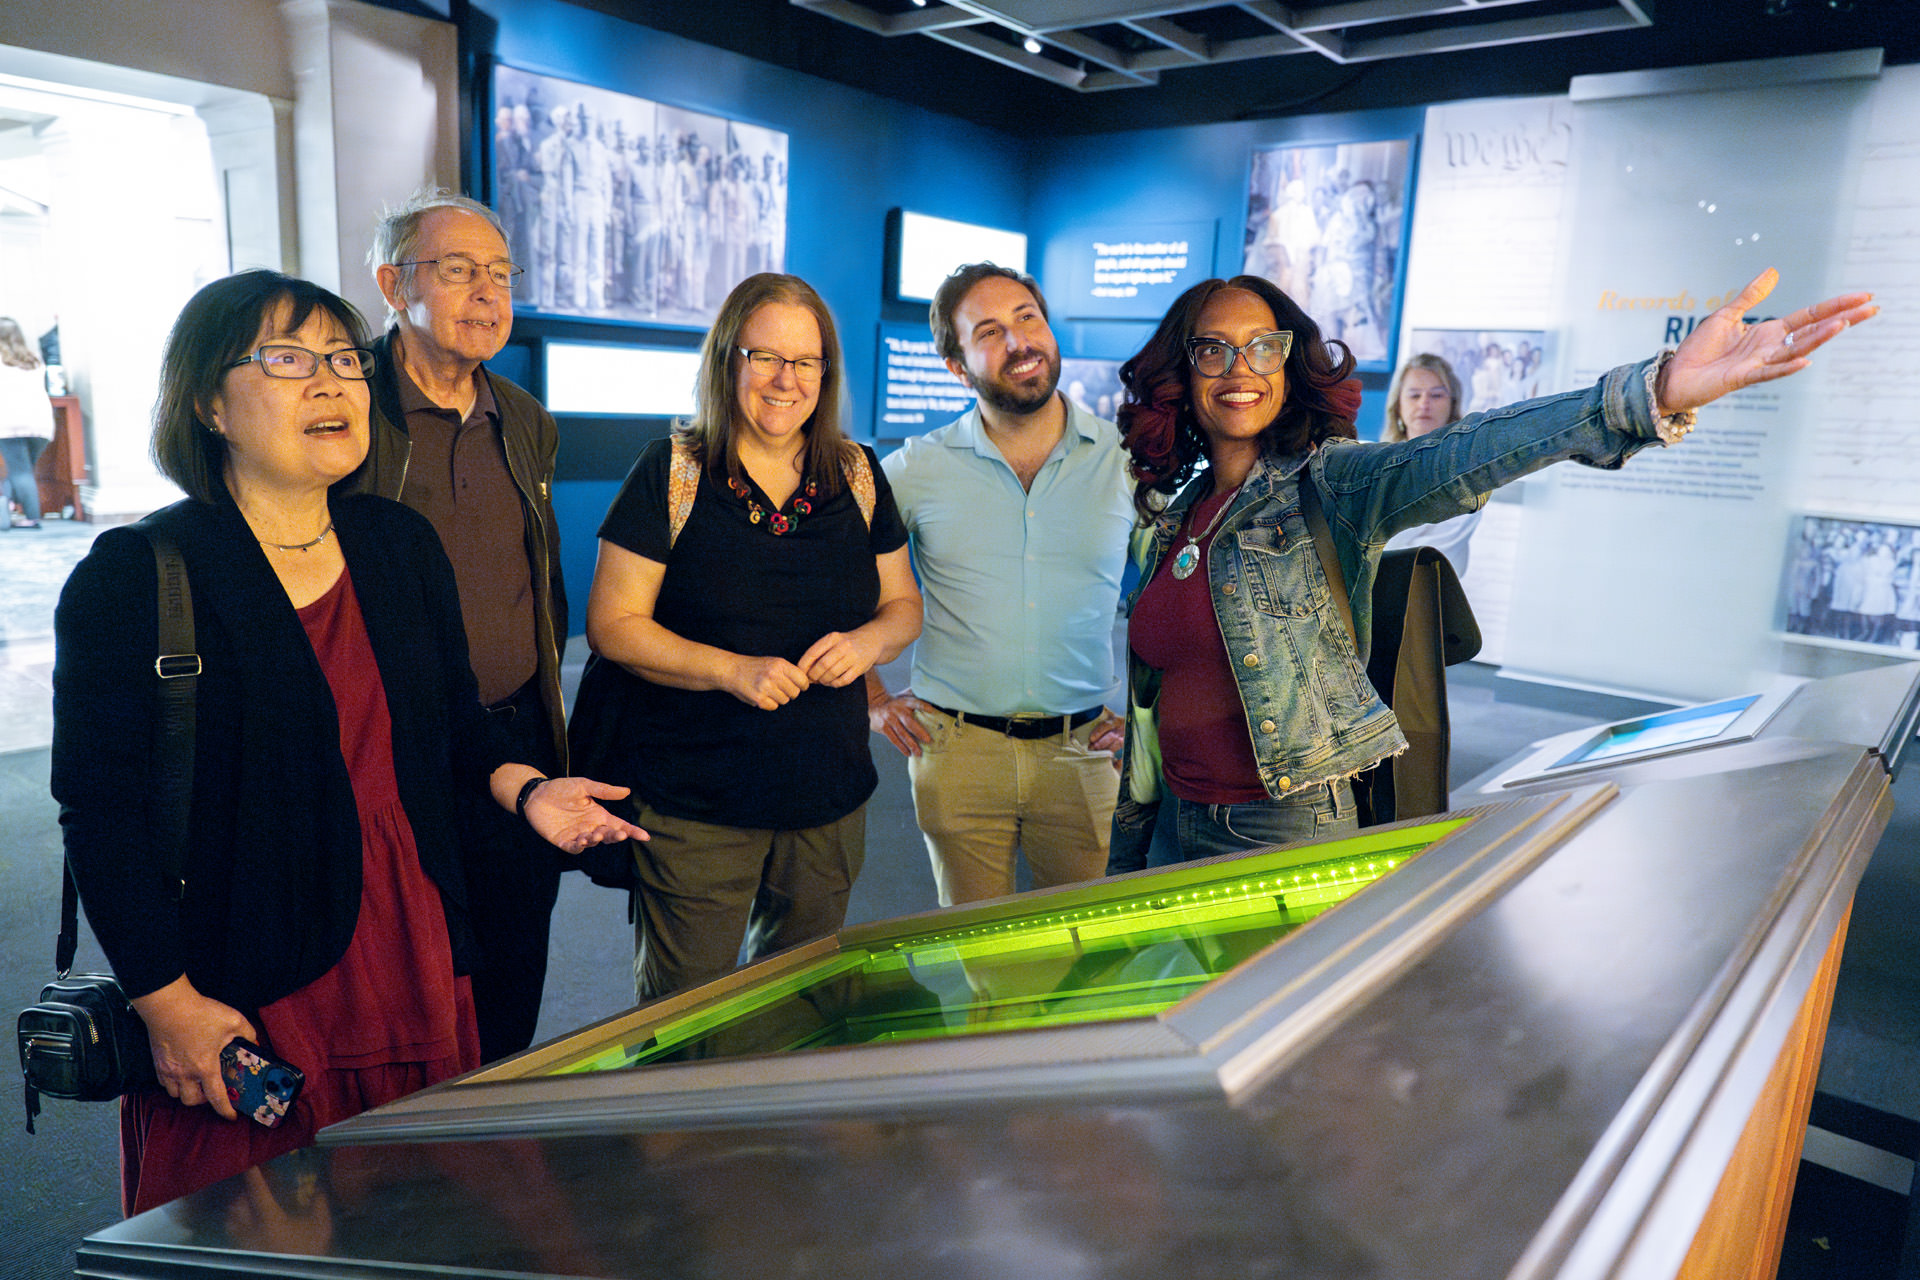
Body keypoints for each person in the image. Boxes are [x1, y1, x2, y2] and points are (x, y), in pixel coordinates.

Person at [50, 270, 646, 1215]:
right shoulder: (137, 575)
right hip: (253, 970)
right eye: (287, 360)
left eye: (343, 360)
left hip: (413, 941)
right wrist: (167, 1005)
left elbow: (454, 727)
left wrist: (530, 789)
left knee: (430, 1218)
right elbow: (101, 815)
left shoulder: (397, 543)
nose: (330, 382)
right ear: (208, 403)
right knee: (269, 1231)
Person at [1109, 269, 1875, 867]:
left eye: (1263, 346)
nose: (1240, 367)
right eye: (1214, 349)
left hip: (1278, 827)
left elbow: (1466, 451)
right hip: (1171, 819)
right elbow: (1156, 697)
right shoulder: (1179, 514)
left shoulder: (1332, 484)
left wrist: (1654, 392)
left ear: (1287, 364)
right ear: (1184, 370)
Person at [585, 272, 921, 1000]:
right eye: (763, 357)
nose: (785, 379)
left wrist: (868, 645)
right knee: (685, 1019)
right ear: (726, 360)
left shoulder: (858, 474)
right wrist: (731, 670)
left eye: (805, 362)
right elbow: (613, 626)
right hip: (697, 807)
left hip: (828, 800)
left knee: (805, 1006)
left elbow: (903, 607)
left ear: (826, 373)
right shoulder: (672, 471)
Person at [352, 190, 572, 1064]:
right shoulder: (348, 412)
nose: (487, 292)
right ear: (392, 285)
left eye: (500, 273)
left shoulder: (523, 419)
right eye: (457, 270)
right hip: (392, 749)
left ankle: (499, 1125)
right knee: (402, 982)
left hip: (514, 734)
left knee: (513, 972)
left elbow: (541, 580)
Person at [865, 264, 1135, 906]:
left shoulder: (1126, 460)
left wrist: (1155, 723)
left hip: (1085, 752)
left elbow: (1185, 594)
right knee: (976, 950)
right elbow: (826, 581)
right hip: (956, 752)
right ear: (958, 367)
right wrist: (870, 695)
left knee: (1082, 947)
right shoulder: (914, 469)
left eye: (1026, 318)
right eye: (989, 332)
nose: (1018, 342)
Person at [1380, 353, 1477, 574]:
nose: (1424, 403)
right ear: (1398, 404)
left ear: (1452, 404)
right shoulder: (1374, 466)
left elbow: (1432, 559)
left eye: (1436, 395)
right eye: (1414, 395)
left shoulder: (1466, 475)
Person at [0, 316, 50, 529]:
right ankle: (7, 506)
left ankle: (32, 517)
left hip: (10, 423)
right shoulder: (35, 360)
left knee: (20, 472)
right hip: (41, 423)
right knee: (22, 470)